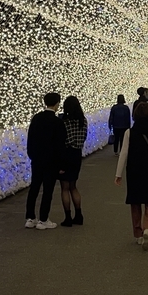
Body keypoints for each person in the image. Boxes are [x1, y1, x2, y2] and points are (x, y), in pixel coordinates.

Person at [116, 101, 148, 250]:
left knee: (135, 203)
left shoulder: (129, 133)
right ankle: (147, 228)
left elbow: (123, 153)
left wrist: (118, 174)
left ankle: (138, 234)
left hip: (134, 172)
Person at [25, 92, 66, 230]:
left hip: (36, 159)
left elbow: (30, 138)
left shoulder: (36, 119)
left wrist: (32, 155)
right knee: (48, 190)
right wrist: (61, 164)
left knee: (34, 188)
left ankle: (30, 218)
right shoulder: (58, 122)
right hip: (51, 161)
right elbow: (61, 145)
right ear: (57, 104)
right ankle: (43, 219)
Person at [59, 96, 88, 227]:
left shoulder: (64, 121)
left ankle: (68, 217)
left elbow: (62, 140)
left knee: (65, 187)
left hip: (66, 154)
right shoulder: (83, 121)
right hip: (77, 154)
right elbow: (84, 138)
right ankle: (79, 215)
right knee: (73, 186)